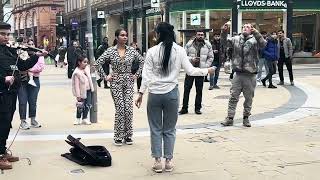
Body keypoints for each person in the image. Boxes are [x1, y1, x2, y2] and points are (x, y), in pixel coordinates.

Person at [135, 22, 216, 173]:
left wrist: (140, 93)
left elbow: (145, 76)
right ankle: (169, 161)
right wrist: (207, 71)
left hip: (154, 95)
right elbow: (191, 71)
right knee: (170, 129)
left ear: (158, 34)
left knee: (155, 128)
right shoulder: (179, 50)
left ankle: (157, 161)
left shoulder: (152, 51)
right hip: (171, 94)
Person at [0, 22, 47, 170]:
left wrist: (37, 56)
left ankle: (2, 150)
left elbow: (22, 65)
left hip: (12, 92)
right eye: (2, 34)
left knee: (7, 122)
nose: (6, 37)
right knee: (1, 122)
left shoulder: (9, 50)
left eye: (8, 34)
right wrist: (3, 79)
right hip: (1, 92)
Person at [96, 28, 144, 146]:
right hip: (116, 82)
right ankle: (118, 136)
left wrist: (136, 75)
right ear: (117, 37)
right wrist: (105, 77)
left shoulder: (132, 50)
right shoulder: (110, 51)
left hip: (128, 81)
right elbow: (97, 63)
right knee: (120, 109)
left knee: (128, 109)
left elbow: (142, 61)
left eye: (126, 35)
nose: (125, 37)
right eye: (122, 35)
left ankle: (128, 136)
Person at [220, 23, 267, 128]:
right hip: (238, 74)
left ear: (252, 30)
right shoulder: (236, 39)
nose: (245, 28)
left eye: (248, 27)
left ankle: (246, 118)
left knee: (248, 98)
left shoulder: (255, 40)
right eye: (244, 27)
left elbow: (263, 44)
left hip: (250, 75)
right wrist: (224, 31)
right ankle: (230, 118)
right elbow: (223, 42)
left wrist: (256, 33)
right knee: (233, 97)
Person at [179, 29, 214, 115]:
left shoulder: (208, 45)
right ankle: (184, 108)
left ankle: (197, 108)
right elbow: (183, 56)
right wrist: (191, 59)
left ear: (204, 36)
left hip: (200, 71)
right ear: (196, 35)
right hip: (190, 70)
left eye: (202, 35)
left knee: (199, 90)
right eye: (199, 34)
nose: (200, 36)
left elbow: (211, 57)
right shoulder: (189, 44)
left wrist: (205, 66)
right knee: (187, 89)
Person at [18, 40, 45, 130]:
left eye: (32, 44)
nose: (30, 46)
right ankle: (23, 121)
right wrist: (28, 68)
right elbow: (19, 66)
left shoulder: (39, 54)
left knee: (33, 101)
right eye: (28, 44)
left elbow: (40, 67)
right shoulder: (21, 53)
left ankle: (33, 119)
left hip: (34, 80)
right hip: (22, 80)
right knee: (22, 101)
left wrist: (28, 68)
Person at [71, 54, 94, 125]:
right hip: (81, 92)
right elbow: (76, 85)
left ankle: (85, 118)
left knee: (87, 105)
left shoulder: (87, 69)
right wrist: (78, 95)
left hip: (88, 90)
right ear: (79, 62)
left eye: (87, 62)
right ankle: (78, 118)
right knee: (80, 106)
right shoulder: (76, 72)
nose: (86, 64)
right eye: (84, 62)